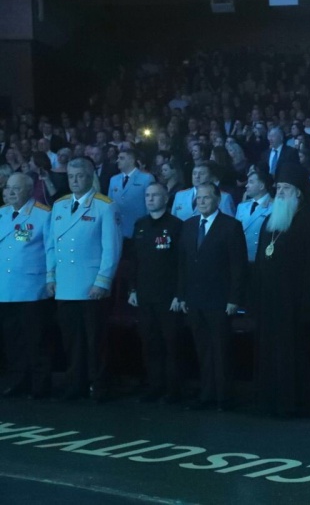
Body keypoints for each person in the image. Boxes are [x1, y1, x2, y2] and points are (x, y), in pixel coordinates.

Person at [254, 163, 310, 417]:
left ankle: (296, 404)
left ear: (298, 192)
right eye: (278, 188)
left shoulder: (308, 221)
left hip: (297, 305)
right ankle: (271, 402)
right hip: (270, 302)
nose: (281, 193)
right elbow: (261, 260)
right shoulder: (271, 220)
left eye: (286, 188)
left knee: (296, 354)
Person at [50, 156, 123, 402]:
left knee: (95, 340)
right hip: (65, 283)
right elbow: (51, 245)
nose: (74, 181)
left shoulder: (104, 205)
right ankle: (75, 383)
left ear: (90, 177)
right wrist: (51, 276)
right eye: (71, 176)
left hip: (91, 283)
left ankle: (98, 385)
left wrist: (103, 281)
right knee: (72, 339)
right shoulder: (59, 205)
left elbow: (111, 248)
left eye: (79, 176)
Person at [177, 183, 247, 412]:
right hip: (194, 298)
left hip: (220, 299)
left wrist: (234, 298)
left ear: (217, 200)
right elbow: (183, 264)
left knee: (221, 350)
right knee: (203, 349)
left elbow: (238, 266)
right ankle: (206, 394)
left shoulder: (231, 226)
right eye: (199, 198)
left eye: (206, 198)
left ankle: (224, 397)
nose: (202, 202)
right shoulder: (188, 225)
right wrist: (182, 295)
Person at [128, 183, 184, 403]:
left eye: (155, 195)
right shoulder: (140, 225)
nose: (150, 199)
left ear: (166, 198)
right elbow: (134, 260)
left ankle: (173, 390)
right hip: (144, 294)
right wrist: (132, 289)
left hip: (168, 296)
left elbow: (182, 263)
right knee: (149, 342)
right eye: (147, 195)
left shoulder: (176, 225)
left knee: (171, 344)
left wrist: (179, 294)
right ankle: (154, 386)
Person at [0, 173, 55, 398]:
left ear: (29, 190)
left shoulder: (43, 214)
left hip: (32, 286)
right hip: (5, 286)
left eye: (17, 188)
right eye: (8, 188)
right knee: (13, 339)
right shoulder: (2, 213)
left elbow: (51, 250)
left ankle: (41, 384)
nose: (11, 192)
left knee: (36, 338)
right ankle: (18, 380)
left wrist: (51, 278)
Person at [109, 147, 155, 245]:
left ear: (131, 160)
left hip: (138, 230)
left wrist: (150, 227)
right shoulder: (114, 180)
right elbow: (110, 205)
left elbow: (150, 206)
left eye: (121, 158)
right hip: (118, 231)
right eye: (118, 158)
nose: (117, 161)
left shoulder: (146, 178)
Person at [171, 163, 235, 221]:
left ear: (211, 177)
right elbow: (173, 219)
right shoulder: (179, 195)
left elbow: (229, 222)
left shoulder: (224, 197)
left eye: (201, 173)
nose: (197, 176)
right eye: (194, 173)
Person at [235, 167, 273, 264]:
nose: (246, 185)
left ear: (261, 186)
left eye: (251, 182)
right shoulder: (242, 206)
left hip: (261, 258)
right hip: (241, 256)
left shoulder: (273, 207)